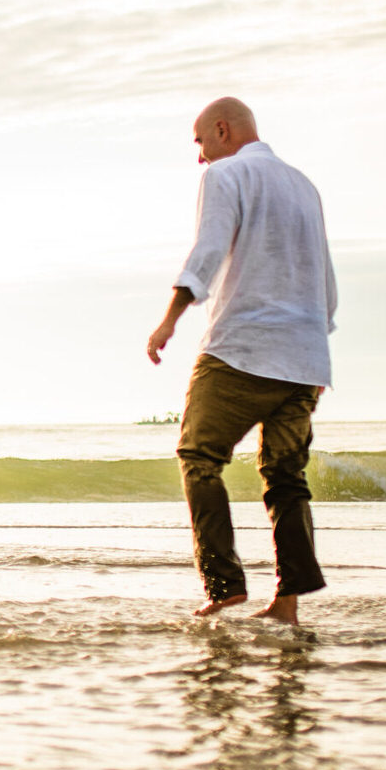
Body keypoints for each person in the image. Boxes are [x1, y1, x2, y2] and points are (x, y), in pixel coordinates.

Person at [146, 97, 337, 630]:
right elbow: (325, 276)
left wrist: (169, 319)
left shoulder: (227, 174)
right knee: (285, 476)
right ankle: (288, 603)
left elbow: (206, 253)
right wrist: (316, 358)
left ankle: (225, 586)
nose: (201, 157)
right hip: (305, 358)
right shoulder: (304, 185)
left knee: (198, 455)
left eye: (201, 142)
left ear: (223, 130)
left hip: (242, 350)